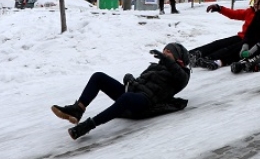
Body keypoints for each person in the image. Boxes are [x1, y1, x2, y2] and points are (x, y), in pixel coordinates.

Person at [51, 43, 191, 140]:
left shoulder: (182, 75)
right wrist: (130, 79)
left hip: (146, 103)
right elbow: (141, 83)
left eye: (169, 51)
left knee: (127, 98)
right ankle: (78, 109)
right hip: (133, 95)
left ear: (178, 57)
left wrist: (166, 61)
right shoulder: (154, 67)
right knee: (98, 76)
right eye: (164, 49)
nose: (164, 52)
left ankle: (88, 126)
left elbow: (179, 75)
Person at [189, 0, 260, 70]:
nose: (256, 4)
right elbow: (234, 14)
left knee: (228, 49)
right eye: (255, 1)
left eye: (259, 2)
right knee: (219, 43)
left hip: (251, 41)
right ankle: (194, 54)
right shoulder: (250, 12)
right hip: (241, 37)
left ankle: (209, 58)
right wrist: (219, 8)